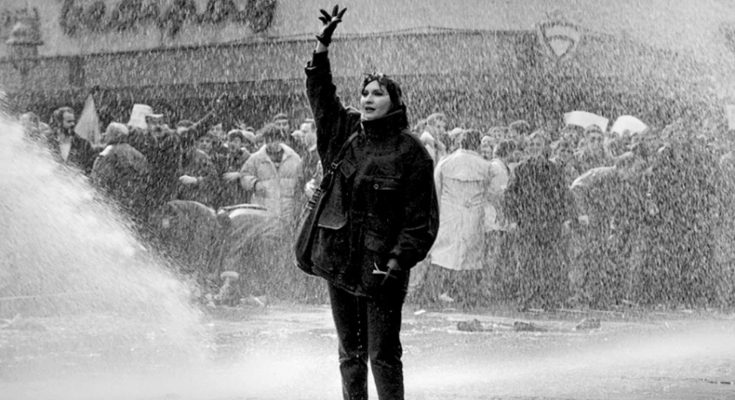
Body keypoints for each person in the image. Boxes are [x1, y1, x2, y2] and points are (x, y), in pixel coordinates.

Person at [304, 6, 438, 400]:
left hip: (382, 266)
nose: (367, 98)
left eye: (378, 93)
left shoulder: (412, 152)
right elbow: (321, 96)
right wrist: (322, 48)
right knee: (350, 353)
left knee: (383, 354)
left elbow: (420, 221)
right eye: (364, 92)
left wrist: (396, 262)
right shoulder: (345, 131)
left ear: (394, 102)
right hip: (340, 259)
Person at [423, 129, 493, 308]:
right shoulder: (485, 166)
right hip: (473, 214)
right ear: (477, 144)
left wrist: (438, 211)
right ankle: (468, 294)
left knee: (441, 253)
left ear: (461, 142)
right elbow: (489, 191)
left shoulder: (446, 162)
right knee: (471, 256)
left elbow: (436, 188)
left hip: (449, 213)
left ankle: (431, 292)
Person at [90, 122, 149, 218]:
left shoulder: (108, 152)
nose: (104, 135)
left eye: (107, 132)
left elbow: (99, 178)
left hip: (113, 204)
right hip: (136, 203)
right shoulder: (137, 154)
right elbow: (145, 178)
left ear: (113, 135)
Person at [46, 106, 97, 174]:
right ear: (59, 122)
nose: (73, 124)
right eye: (69, 121)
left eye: (73, 121)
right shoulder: (49, 141)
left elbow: (89, 167)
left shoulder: (83, 144)